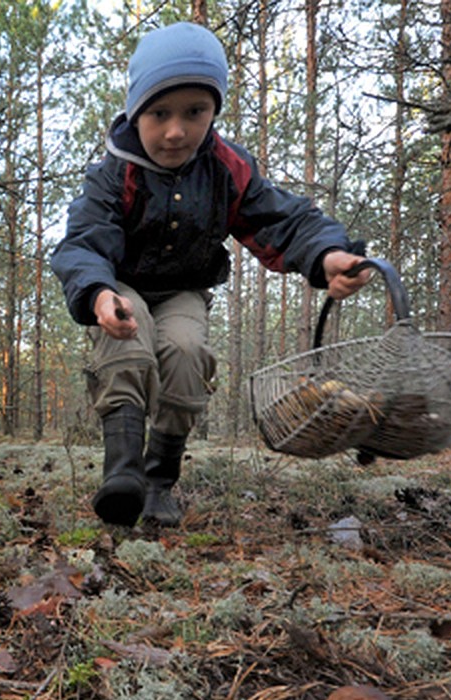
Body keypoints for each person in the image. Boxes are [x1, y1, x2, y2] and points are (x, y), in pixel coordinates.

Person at [51, 21, 372, 528]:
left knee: (185, 356)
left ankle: (158, 482)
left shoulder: (227, 169)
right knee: (129, 349)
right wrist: (97, 294)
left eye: (194, 112)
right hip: (120, 284)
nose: (176, 130)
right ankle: (123, 476)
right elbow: (84, 241)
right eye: (160, 114)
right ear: (137, 112)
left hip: (182, 289)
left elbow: (282, 220)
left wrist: (327, 255)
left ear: (214, 111)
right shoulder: (114, 173)